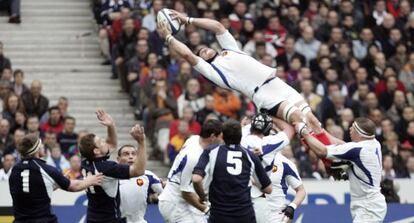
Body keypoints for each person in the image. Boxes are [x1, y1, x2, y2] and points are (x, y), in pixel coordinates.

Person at [157, 11, 322, 135]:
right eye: (201, 53)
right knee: (300, 120)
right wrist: (168, 37)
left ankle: (333, 155)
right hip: (264, 94)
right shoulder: (214, 72)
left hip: (276, 83)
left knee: (313, 120)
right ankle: (323, 154)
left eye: (204, 48)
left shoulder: (229, 49)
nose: (204, 50)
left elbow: (218, 27)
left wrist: (187, 19)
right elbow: (188, 56)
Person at [298, 117, 387, 222]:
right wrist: (320, 130)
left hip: (368, 206)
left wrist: (304, 133)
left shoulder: (357, 150)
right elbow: (343, 146)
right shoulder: (373, 142)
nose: (349, 129)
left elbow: (322, 152)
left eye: (353, 127)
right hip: (371, 203)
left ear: (360, 133)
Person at [9, 134, 103, 223]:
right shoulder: (45, 169)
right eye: (41, 145)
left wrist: (57, 183)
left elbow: (34, 192)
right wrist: (90, 180)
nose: (43, 147)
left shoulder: (15, 170)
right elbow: (73, 187)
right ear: (36, 150)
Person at [192, 119, 272, 223]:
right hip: (244, 215)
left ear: (222, 136)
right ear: (241, 136)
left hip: (219, 215)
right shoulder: (250, 156)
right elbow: (268, 189)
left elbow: (196, 179)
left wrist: (202, 197)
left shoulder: (211, 151)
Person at [80, 110, 147, 222]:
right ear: (96, 151)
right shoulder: (106, 168)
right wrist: (141, 142)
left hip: (92, 218)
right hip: (108, 220)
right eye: (101, 142)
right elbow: (139, 171)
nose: (105, 142)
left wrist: (111, 126)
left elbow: (111, 144)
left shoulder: (86, 162)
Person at [158, 119, 223, 223]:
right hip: (176, 204)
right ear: (212, 137)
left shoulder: (194, 139)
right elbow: (186, 193)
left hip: (180, 200)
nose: (221, 140)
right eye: (220, 136)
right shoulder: (195, 157)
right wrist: (206, 209)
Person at [240, 113, 295, 223]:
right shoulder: (270, 142)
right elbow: (289, 129)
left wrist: (244, 124)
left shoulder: (241, 134)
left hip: (238, 194)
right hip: (258, 197)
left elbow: (241, 127)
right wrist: (271, 116)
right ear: (268, 130)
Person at [117, 144, 163, 223]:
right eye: (126, 154)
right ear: (118, 159)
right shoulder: (111, 177)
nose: (130, 157)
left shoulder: (148, 175)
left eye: (133, 154)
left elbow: (165, 194)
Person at [267, 152, 306, 222]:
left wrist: (292, 207)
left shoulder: (285, 163)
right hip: (252, 211)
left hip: (275, 215)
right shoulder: (249, 158)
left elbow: (301, 190)